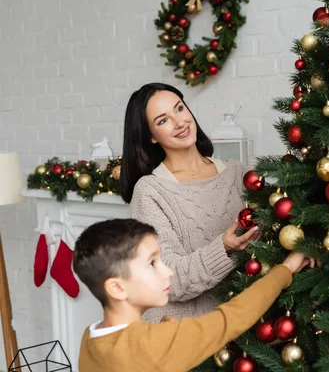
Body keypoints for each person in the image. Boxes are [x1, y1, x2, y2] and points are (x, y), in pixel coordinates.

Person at [73, 218, 314, 372]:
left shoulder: (92, 338)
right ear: (117, 288)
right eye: (152, 264)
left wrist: (164, 331)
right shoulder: (153, 343)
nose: (168, 272)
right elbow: (231, 318)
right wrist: (285, 270)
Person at [120, 83, 255, 322]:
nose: (179, 122)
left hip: (245, 326)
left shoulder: (237, 174)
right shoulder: (150, 192)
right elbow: (170, 280)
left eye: (179, 109)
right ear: (150, 136)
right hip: (188, 336)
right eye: (163, 120)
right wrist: (224, 248)